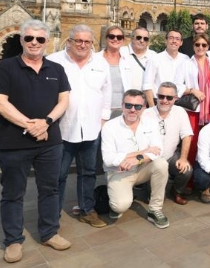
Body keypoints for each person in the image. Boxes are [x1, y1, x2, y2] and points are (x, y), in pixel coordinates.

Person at [0, 20, 72, 262]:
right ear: (21, 40)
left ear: (46, 42)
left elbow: (64, 101)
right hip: (14, 143)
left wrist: (45, 123)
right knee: (13, 193)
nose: (34, 43)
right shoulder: (5, 68)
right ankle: (13, 240)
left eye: (40, 39)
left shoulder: (56, 69)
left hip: (50, 142)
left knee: (50, 189)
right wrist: (31, 126)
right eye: (29, 38)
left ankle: (49, 232)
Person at [48, 24, 111, 229]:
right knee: (59, 174)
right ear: (69, 41)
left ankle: (87, 210)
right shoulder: (54, 61)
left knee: (88, 172)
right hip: (63, 129)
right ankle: (52, 214)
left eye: (87, 41)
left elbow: (106, 93)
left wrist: (103, 119)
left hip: (91, 129)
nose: (83, 45)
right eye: (78, 40)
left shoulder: (101, 63)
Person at [101, 89, 169, 228]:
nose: (132, 110)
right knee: (119, 206)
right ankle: (115, 197)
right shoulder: (110, 126)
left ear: (144, 107)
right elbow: (108, 159)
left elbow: (158, 150)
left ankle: (155, 209)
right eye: (128, 105)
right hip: (119, 172)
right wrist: (143, 152)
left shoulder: (151, 123)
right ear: (122, 105)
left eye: (137, 106)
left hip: (142, 168)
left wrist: (138, 159)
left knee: (161, 164)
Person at [141, 82, 193, 205]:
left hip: (170, 156)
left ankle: (176, 191)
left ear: (176, 99)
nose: (164, 100)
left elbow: (187, 136)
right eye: (161, 96)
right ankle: (150, 188)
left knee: (187, 170)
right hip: (151, 160)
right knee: (156, 199)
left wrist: (183, 158)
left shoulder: (180, 112)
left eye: (169, 97)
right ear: (157, 96)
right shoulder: (146, 114)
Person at [176, 33, 210, 166]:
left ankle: (205, 176)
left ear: (208, 46)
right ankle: (190, 178)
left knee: (209, 144)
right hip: (193, 110)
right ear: (193, 46)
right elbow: (176, 86)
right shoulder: (186, 64)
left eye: (204, 45)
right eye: (197, 44)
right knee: (192, 142)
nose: (200, 47)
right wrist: (192, 90)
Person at [143, 30, 187, 107]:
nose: (174, 41)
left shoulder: (185, 59)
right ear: (165, 41)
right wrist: (152, 108)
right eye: (171, 38)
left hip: (179, 103)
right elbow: (147, 85)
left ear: (181, 42)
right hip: (159, 102)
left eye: (177, 39)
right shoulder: (155, 59)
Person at [97, 25, 132, 118]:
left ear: (123, 40)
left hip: (122, 110)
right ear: (106, 38)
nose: (115, 39)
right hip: (99, 110)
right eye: (112, 36)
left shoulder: (127, 60)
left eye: (119, 37)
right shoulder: (94, 59)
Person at [120, 27, 157, 91]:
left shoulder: (154, 56)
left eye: (145, 39)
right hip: (125, 97)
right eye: (138, 38)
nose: (142, 41)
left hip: (145, 98)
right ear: (132, 38)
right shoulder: (121, 52)